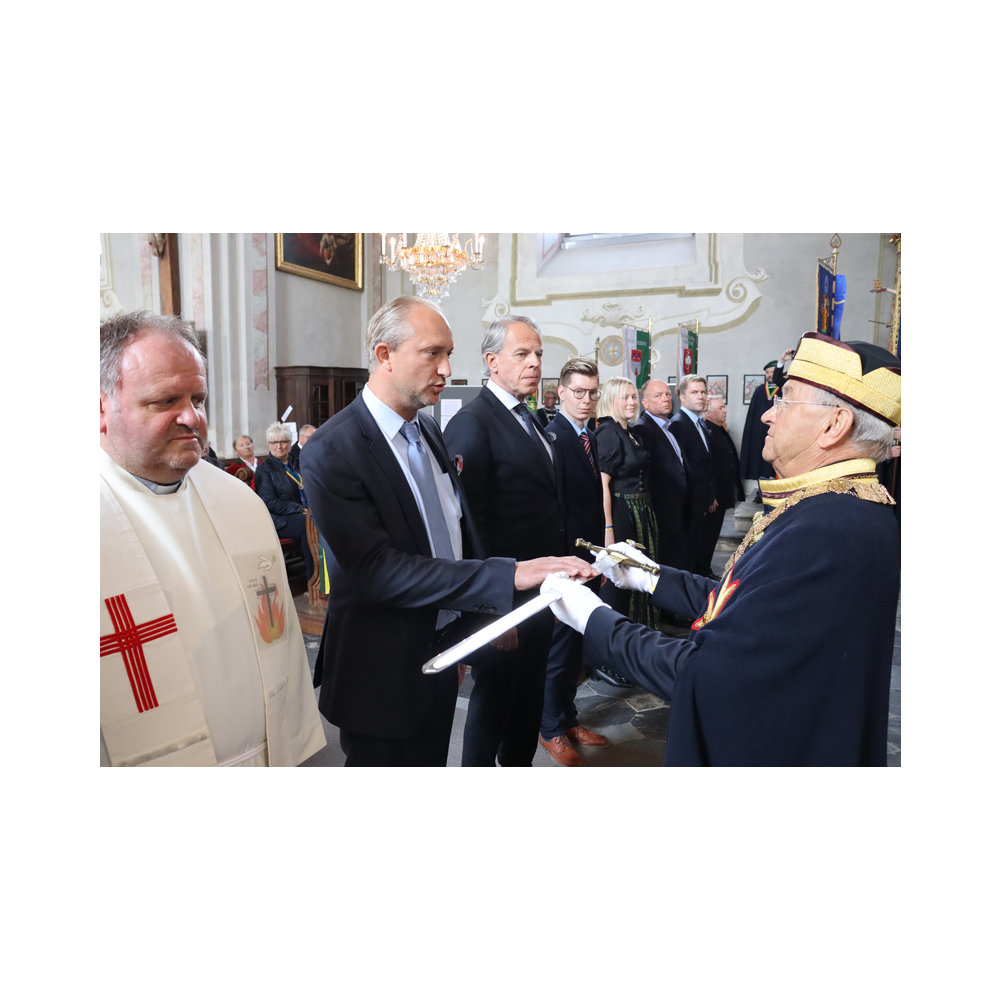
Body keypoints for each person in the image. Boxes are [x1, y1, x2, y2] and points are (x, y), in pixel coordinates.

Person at [542, 333, 901, 767]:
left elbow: (704, 670)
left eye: (785, 401)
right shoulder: (839, 508)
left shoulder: (829, 527)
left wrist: (592, 618)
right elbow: (743, 603)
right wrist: (650, 576)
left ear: (834, 424)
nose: (768, 415)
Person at [301, 298, 593, 767]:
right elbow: (378, 571)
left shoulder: (429, 432)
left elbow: (459, 529)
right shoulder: (334, 449)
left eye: (449, 353)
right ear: (384, 355)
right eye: (432, 354)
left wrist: (482, 615)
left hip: (441, 652)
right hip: (381, 670)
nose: (447, 368)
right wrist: (506, 577)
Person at [100, 310, 325, 767]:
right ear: (103, 410)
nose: (192, 416)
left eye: (198, 398)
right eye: (165, 401)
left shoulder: (236, 500)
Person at [444, 314, 581, 767]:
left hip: (540, 592)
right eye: (522, 354)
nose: (535, 362)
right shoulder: (472, 423)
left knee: (528, 698)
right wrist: (492, 612)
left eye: (538, 353)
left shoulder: (531, 418)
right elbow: (470, 527)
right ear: (491, 361)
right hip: (505, 597)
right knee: (495, 699)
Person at [538, 357, 610, 766]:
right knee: (558, 649)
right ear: (561, 392)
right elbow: (556, 508)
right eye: (578, 393)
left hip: (587, 556)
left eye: (592, 393)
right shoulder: (554, 436)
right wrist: (564, 566)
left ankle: (568, 719)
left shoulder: (591, 434)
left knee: (575, 645)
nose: (586, 400)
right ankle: (550, 730)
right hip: (566, 560)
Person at [594, 376, 659, 634]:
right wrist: (609, 529)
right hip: (623, 515)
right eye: (625, 397)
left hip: (640, 513)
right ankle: (615, 647)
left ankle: (637, 637)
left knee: (638, 578)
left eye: (633, 396)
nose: (632, 402)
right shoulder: (608, 432)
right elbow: (603, 487)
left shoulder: (628, 431)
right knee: (621, 583)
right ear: (611, 400)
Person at [634, 379, 689, 572]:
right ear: (645, 402)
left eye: (667, 394)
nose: (666, 399)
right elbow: (646, 473)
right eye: (658, 396)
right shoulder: (643, 429)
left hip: (676, 509)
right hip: (661, 511)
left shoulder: (667, 426)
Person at [668, 375, 717, 575]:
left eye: (703, 392)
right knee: (684, 558)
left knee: (696, 555)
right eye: (694, 392)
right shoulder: (679, 424)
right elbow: (681, 470)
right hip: (689, 506)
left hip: (701, 503)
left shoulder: (699, 423)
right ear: (682, 396)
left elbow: (704, 464)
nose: (700, 397)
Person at [256, 422, 314, 582]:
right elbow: (268, 501)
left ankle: (332, 575)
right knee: (308, 524)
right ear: (269, 444)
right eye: (274, 442)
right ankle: (315, 581)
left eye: (283, 441)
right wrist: (299, 509)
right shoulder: (265, 469)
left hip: (303, 512)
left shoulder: (297, 463)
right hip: (278, 518)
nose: (279, 446)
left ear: (290, 443)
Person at [698, 396, 745, 577]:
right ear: (709, 412)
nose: (725, 410)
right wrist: (712, 494)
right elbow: (709, 466)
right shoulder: (707, 431)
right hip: (714, 495)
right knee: (707, 536)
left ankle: (705, 568)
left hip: (722, 493)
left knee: (713, 535)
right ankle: (702, 570)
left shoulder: (718, 429)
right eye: (721, 407)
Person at [739, 350, 794, 489]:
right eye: (767, 372)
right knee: (759, 459)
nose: (770, 374)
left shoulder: (784, 387)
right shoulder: (759, 390)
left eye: (772, 371)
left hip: (780, 429)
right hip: (760, 432)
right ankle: (761, 490)